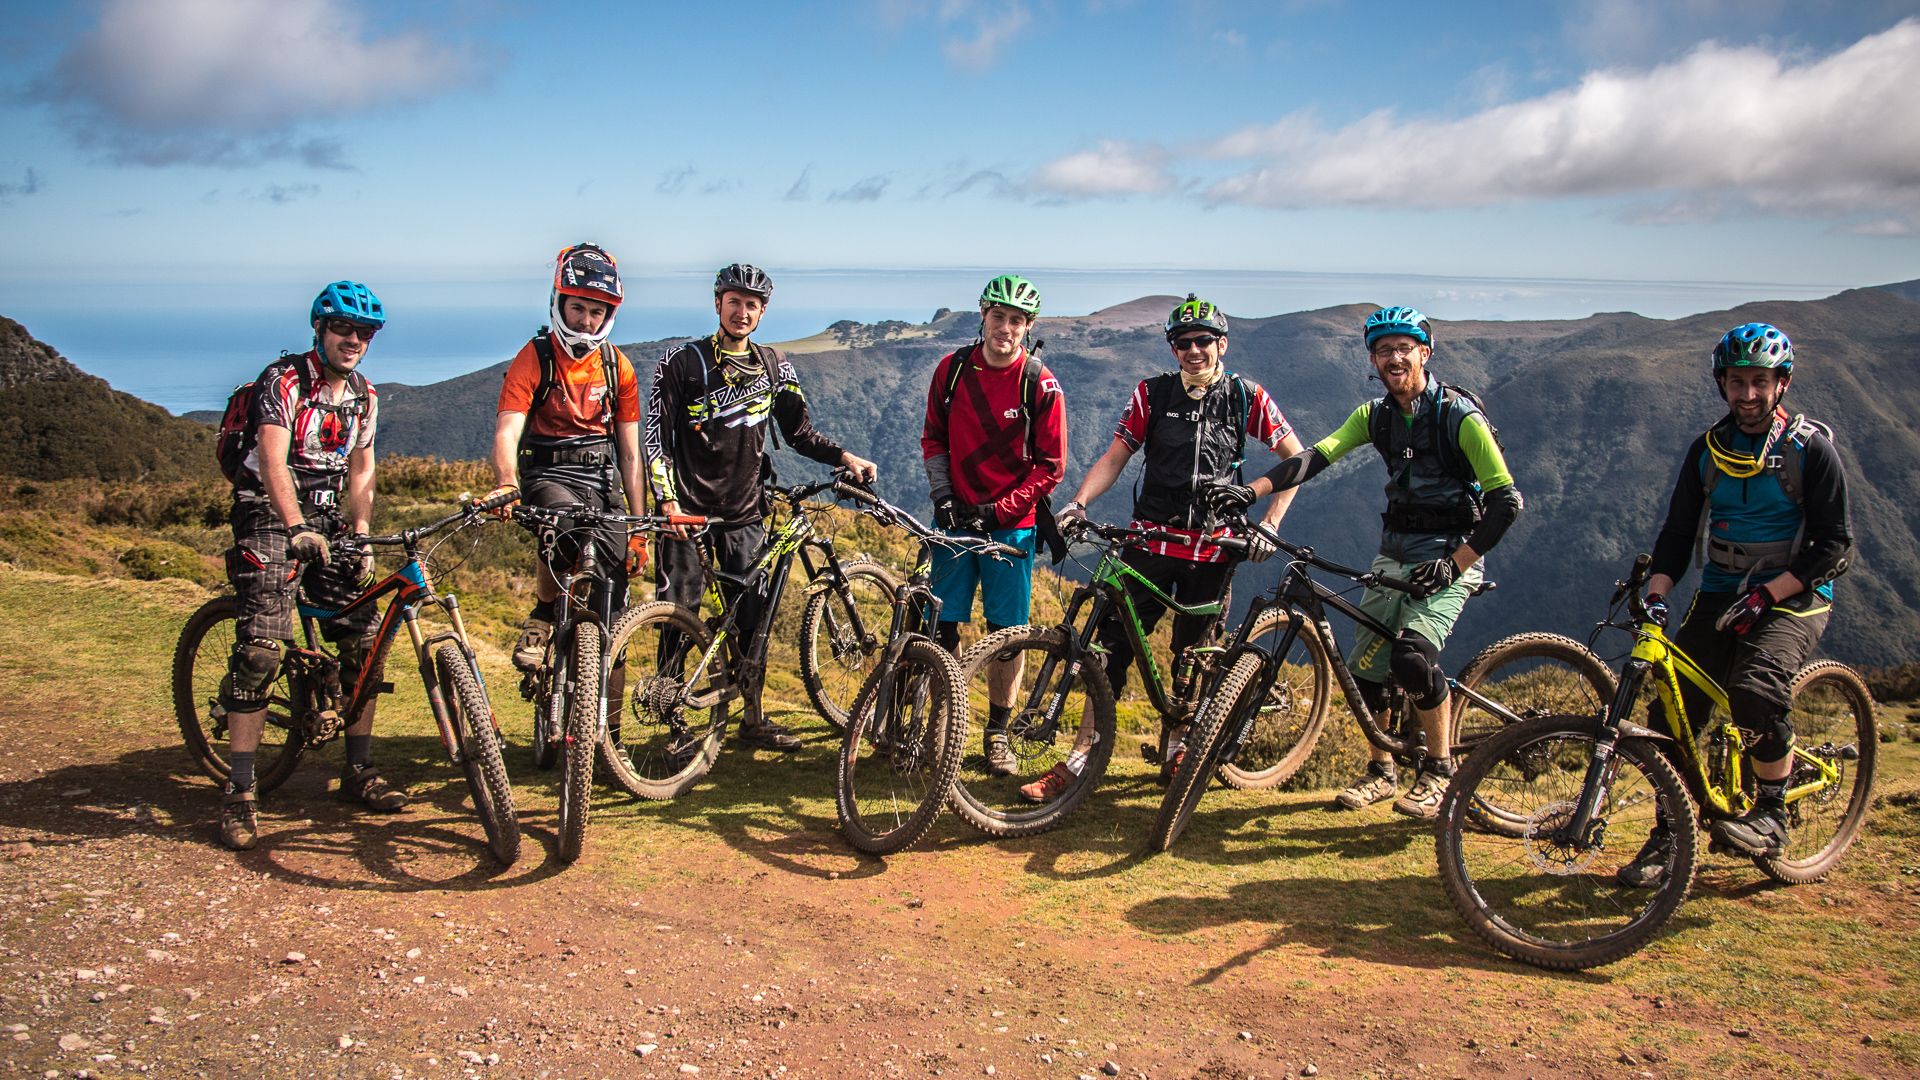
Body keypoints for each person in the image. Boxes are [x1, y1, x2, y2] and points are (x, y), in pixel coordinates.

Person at [1209, 305, 1523, 819]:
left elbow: (1507, 502)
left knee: (1412, 659)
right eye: (1383, 350)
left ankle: (1439, 773)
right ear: (1373, 360)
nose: (1394, 358)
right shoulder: (1373, 416)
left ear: (1425, 352)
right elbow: (1315, 457)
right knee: (1367, 672)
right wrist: (1253, 489)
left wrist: (1456, 563)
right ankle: (1382, 771)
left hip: (1450, 556)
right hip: (1393, 554)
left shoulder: (1458, 417)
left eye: (1404, 348)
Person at [1617, 322, 1851, 886]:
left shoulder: (1810, 450)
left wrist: (1770, 594)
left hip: (1796, 596)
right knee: (1670, 713)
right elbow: (1677, 534)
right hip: (1723, 592)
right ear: (1722, 384)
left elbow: (1834, 545)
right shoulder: (1708, 451)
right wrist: (1656, 595)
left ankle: (1771, 813)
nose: (1748, 394)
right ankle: (1671, 835)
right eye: (1737, 382)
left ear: (1782, 384)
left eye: (1760, 382)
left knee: (1754, 689)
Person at [1056, 294, 1305, 788]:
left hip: (1215, 551)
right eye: (1183, 343)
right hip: (1149, 545)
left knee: (1194, 656)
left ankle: (1177, 754)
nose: (1194, 350)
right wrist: (1078, 502)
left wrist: (1271, 525)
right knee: (1109, 651)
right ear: (1173, 349)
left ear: (1222, 344)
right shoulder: (1152, 395)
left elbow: (1294, 459)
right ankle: (1080, 760)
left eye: (1203, 341)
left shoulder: (1245, 396)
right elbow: (1116, 455)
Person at [646, 263, 879, 750]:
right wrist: (666, 501)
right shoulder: (682, 363)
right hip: (686, 512)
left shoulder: (775, 367)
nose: (742, 311)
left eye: (752, 304)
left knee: (752, 619)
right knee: (676, 614)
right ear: (717, 304)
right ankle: (669, 718)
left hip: (746, 511)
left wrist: (844, 457)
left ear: (763, 311)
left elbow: (799, 434)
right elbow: (655, 440)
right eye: (734, 301)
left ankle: (752, 719)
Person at [215, 281, 396, 851]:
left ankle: (359, 772)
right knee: (262, 647)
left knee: (364, 638)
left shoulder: (364, 393)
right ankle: (240, 790)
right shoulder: (285, 380)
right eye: (345, 328)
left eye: (365, 333)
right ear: (320, 328)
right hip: (270, 512)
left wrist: (361, 534)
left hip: (326, 516)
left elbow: (362, 469)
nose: (355, 340)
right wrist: (293, 527)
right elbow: (272, 456)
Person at [921, 274, 1067, 784]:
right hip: (954, 521)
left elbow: (1051, 466)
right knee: (943, 626)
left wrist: (998, 510)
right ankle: (945, 723)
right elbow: (933, 439)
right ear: (982, 314)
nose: (1006, 328)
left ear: (1028, 327)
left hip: (1013, 529)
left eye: (1017, 321)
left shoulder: (1040, 383)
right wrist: (944, 498)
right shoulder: (953, 370)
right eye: (999, 316)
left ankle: (998, 732)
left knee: (1006, 636)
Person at [481, 243, 646, 672]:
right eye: (578, 309)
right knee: (563, 525)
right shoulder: (534, 357)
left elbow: (630, 453)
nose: (586, 321)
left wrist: (639, 526)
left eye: (596, 312)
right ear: (559, 303)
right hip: (547, 470)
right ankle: (542, 614)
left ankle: (606, 729)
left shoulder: (617, 367)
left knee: (615, 593)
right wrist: (505, 481)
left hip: (601, 474)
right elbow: (508, 429)